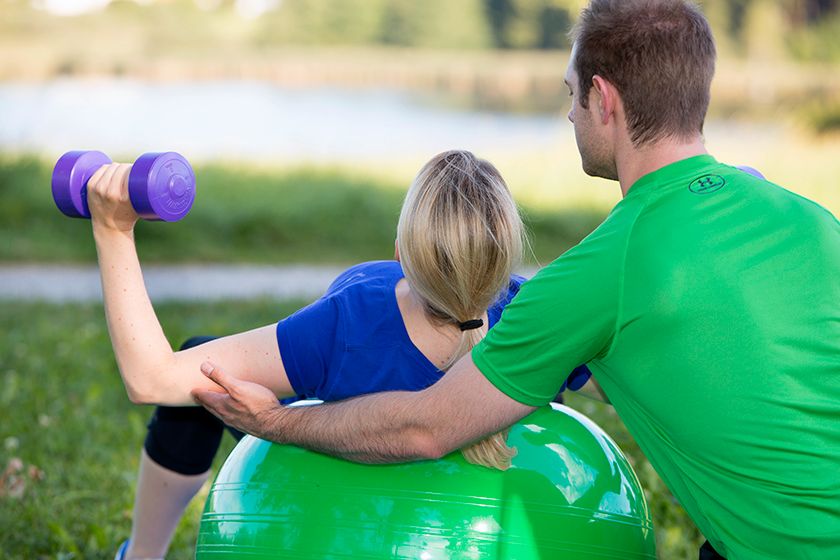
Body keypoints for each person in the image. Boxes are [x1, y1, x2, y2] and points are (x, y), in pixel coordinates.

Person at [193, 1, 840, 559]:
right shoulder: (811, 219)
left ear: (604, 100)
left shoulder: (595, 275)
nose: (568, 116)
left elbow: (426, 428)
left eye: (570, 95)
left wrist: (274, 423)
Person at [86, 149, 579, 560]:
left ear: (401, 252)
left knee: (198, 373)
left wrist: (114, 229)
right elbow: (613, 380)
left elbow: (151, 377)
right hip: (487, 517)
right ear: (504, 258)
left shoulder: (351, 319)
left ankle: (141, 556)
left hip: (343, 474)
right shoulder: (531, 313)